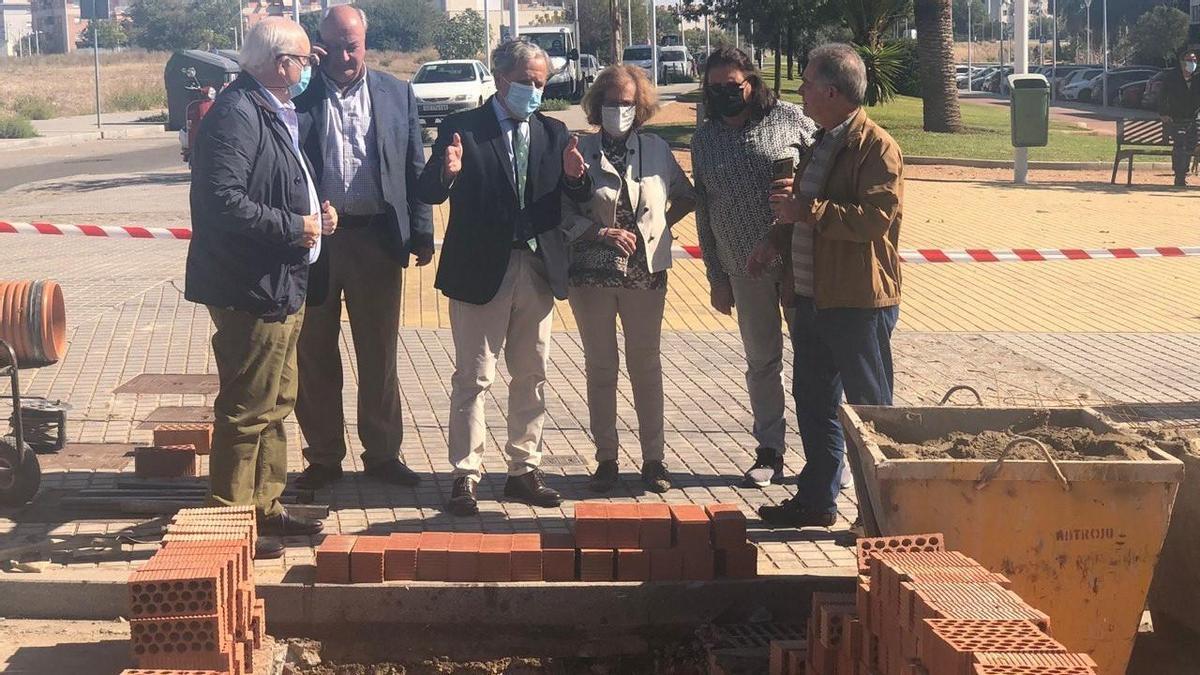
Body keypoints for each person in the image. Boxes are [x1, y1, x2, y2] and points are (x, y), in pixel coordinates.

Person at [417, 39, 590, 516]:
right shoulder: (462, 130)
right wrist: (448, 173)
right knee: (474, 377)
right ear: (500, 80)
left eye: (541, 83)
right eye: (527, 83)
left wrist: (576, 178)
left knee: (532, 373)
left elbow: (572, 195)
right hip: (479, 271)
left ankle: (523, 470)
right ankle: (465, 475)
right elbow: (428, 189)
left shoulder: (554, 132)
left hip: (536, 269)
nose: (535, 92)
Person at [185, 17, 336, 558]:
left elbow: (274, 180)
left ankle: (265, 509)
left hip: (281, 281)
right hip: (249, 286)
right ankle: (229, 524)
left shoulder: (267, 107)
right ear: (280, 64)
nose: (308, 71)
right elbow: (223, 201)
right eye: (304, 61)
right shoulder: (237, 113)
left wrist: (313, 213)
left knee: (277, 401)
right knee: (247, 408)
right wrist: (296, 226)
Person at [750, 43, 903, 529]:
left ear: (833, 91)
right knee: (815, 405)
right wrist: (775, 239)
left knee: (868, 413)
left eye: (809, 82)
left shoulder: (877, 147)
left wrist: (805, 211)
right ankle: (817, 502)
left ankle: (880, 520)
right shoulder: (821, 140)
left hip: (857, 303)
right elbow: (803, 207)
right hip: (811, 300)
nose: (802, 91)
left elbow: (874, 221)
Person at [290, 6, 434, 490]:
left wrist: (421, 232)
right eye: (336, 46)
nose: (346, 56)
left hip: (377, 240)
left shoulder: (396, 93)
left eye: (354, 45)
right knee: (314, 354)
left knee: (379, 353)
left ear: (365, 42)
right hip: (316, 245)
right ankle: (324, 457)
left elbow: (414, 167)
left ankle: (383, 454)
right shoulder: (297, 96)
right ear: (320, 45)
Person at [561, 65, 696, 494]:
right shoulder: (576, 148)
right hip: (591, 274)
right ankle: (606, 459)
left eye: (627, 103)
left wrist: (657, 229)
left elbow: (686, 194)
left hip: (644, 274)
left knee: (646, 365)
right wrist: (597, 232)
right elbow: (558, 212)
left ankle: (654, 460)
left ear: (640, 108)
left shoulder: (655, 149)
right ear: (597, 104)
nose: (619, 109)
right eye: (612, 102)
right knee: (601, 366)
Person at [691, 47, 816, 489]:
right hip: (742, 267)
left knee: (813, 361)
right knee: (762, 362)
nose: (726, 94)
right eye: (716, 87)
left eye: (733, 85)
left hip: (799, 263)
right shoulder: (703, 140)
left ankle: (821, 456)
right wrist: (716, 276)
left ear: (752, 82)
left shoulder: (791, 120)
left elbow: (826, 170)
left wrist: (799, 183)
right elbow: (704, 213)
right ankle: (769, 451)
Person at [1159, 49, 1200, 188]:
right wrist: (1164, 114)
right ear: (1182, 62)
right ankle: (1179, 176)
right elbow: (1162, 97)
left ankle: (1183, 173)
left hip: (1192, 120)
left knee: (1190, 146)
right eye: (1189, 60)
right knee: (1180, 146)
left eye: (1194, 60)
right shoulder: (1172, 78)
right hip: (1175, 120)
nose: (1192, 63)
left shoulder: (1197, 78)